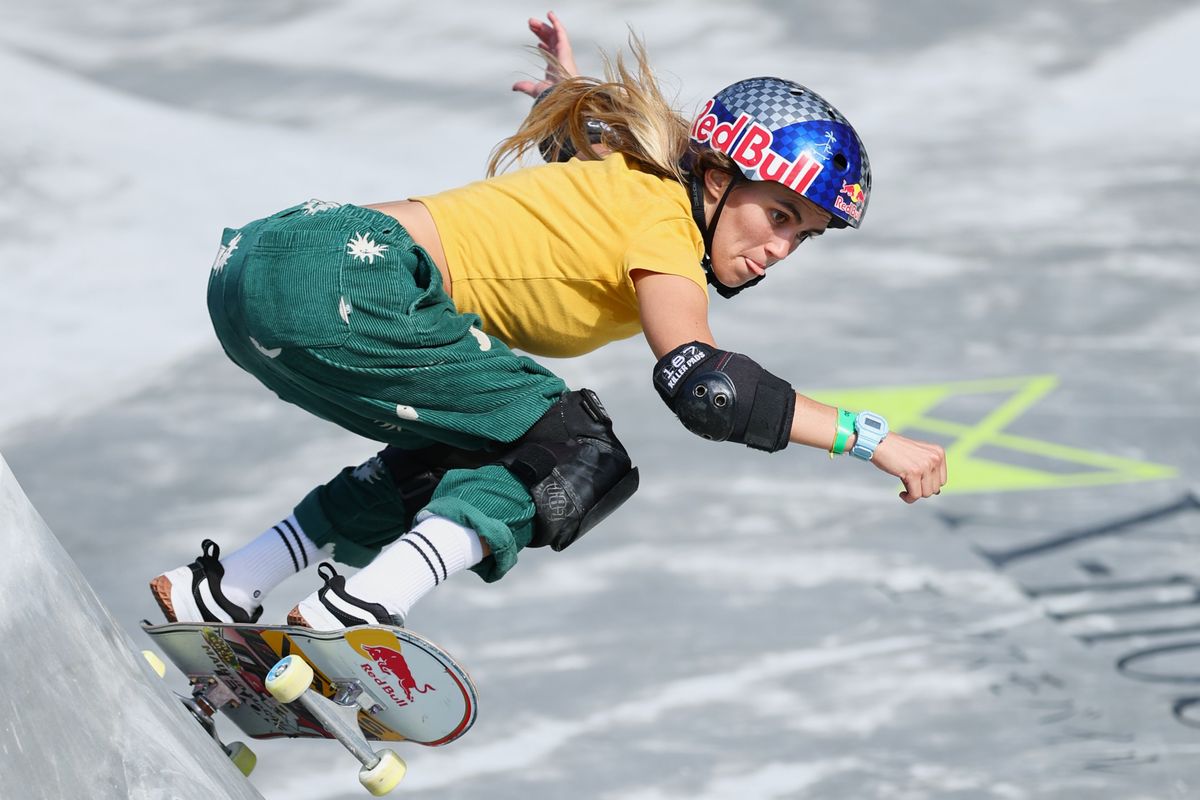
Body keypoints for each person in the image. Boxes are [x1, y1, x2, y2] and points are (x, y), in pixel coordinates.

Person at [150, 12, 947, 630]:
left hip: (265, 266)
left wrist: (568, 90)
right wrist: (873, 438)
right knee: (578, 452)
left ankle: (224, 587)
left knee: (458, 444)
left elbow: (585, 158)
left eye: (801, 236)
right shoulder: (666, 226)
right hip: (348, 277)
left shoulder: (633, 182)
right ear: (715, 176)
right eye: (777, 214)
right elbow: (706, 389)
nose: (778, 248)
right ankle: (361, 609)